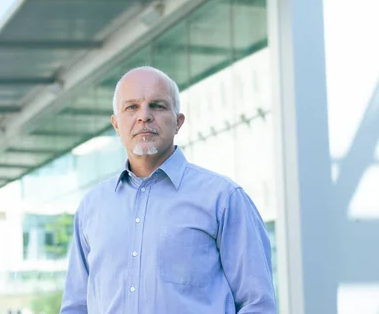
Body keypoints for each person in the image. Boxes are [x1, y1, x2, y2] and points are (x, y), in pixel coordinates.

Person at [60, 66, 277, 313]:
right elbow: (76, 306)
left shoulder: (223, 199)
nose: (144, 116)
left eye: (157, 105)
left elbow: (257, 304)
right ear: (116, 124)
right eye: (131, 107)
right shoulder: (92, 206)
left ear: (178, 122)